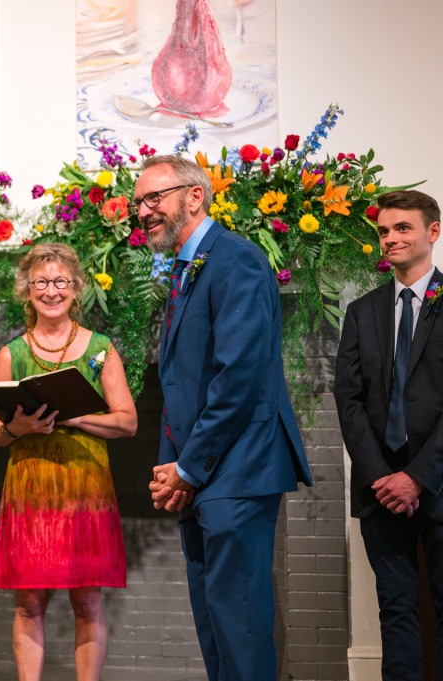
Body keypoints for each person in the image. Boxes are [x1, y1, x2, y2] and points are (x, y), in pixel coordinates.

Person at [136, 155, 312, 681]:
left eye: (154, 198)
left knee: (241, 626)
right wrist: (173, 470)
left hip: (239, 469)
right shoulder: (187, 266)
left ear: (195, 196)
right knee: (216, 626)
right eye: (137, 202)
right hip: (204, 475)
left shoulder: (234, 259)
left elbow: (237, 378)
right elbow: (179, 384)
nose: (142, 212)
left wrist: (188, 469)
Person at [0, 243, 137, 681]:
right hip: (30, 490)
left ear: (76, 289)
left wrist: (78, 414)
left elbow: (127, 422)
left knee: (87, 601)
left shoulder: (101, 349)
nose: (52, 291)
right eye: (41, 283)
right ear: (27, 292)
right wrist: (21, 429)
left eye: (61, 282)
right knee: (29, 602)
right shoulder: (11, 354)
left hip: (85, 488)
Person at [334, 190, 443, 680]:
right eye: (383, 231)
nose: (391, 238)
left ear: (432, 232)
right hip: (380, 491)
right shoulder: (362, 311)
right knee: (395, 609)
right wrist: (383, 477)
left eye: (403, 228)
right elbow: (349, 400)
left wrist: (417, 478)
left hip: (438, 483)